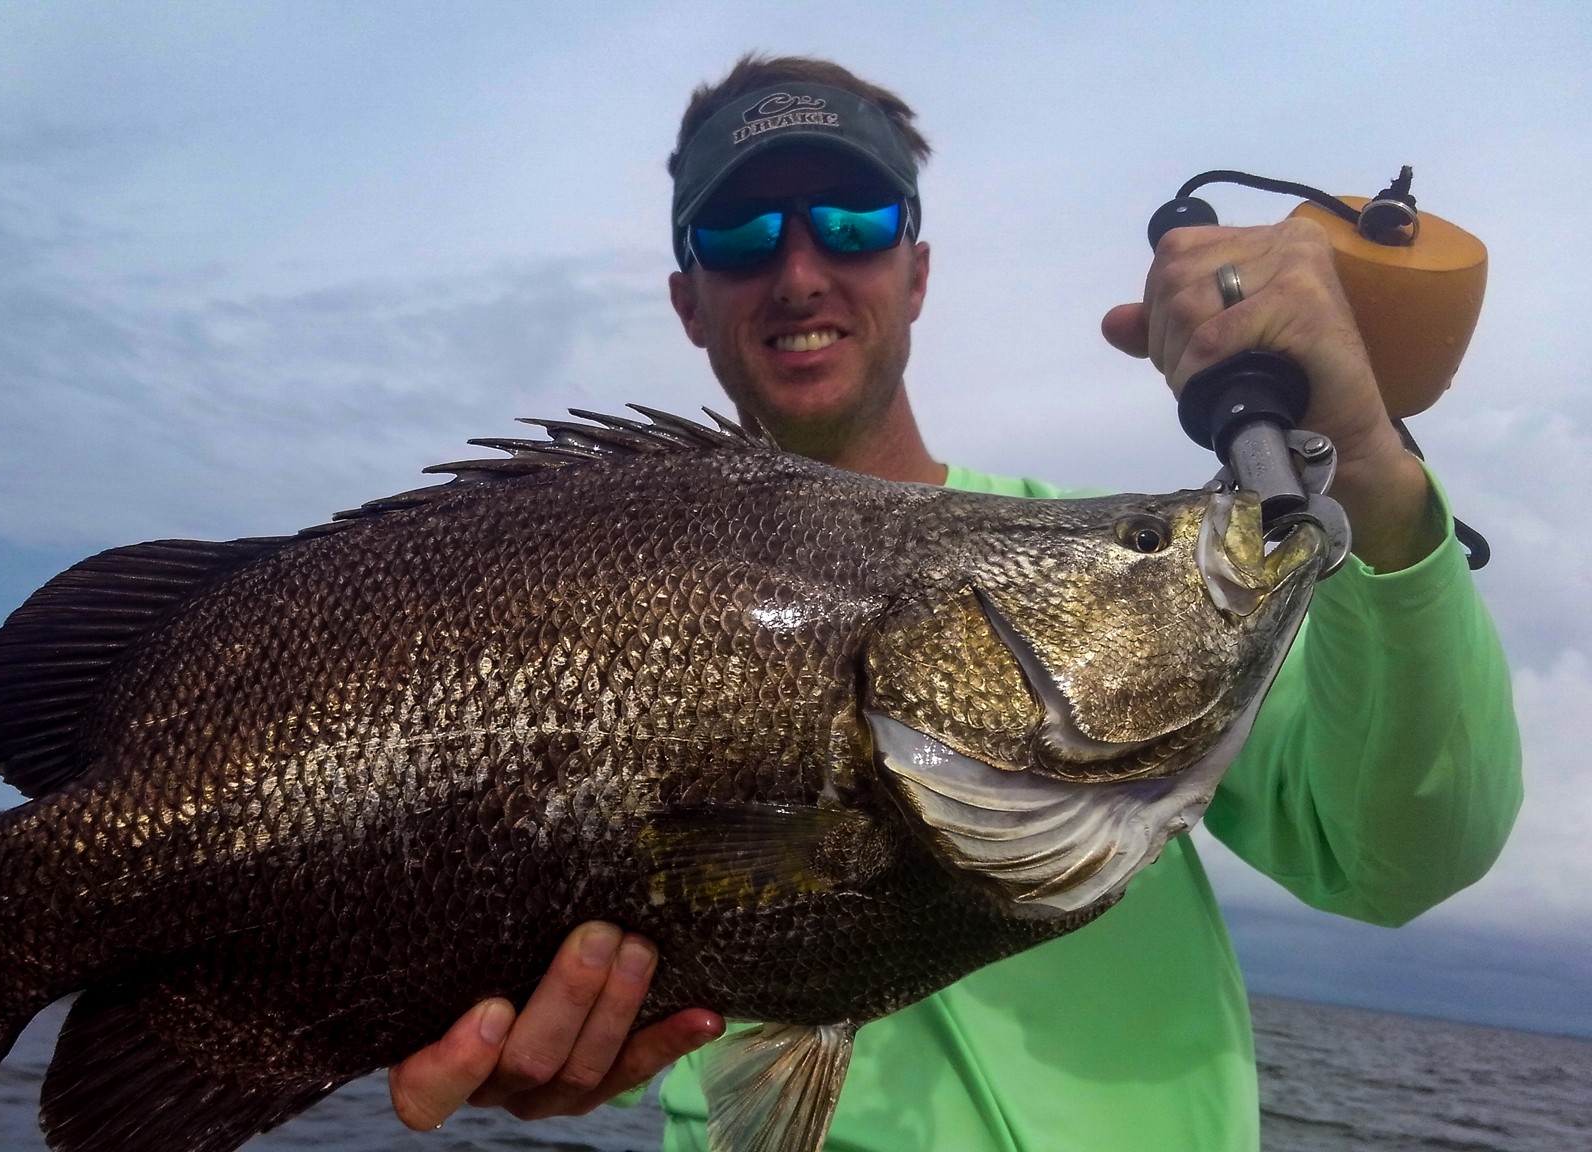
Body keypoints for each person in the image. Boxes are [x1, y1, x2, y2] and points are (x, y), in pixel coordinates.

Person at [386, 54, 1521, 1150]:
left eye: (851, 222)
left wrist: (1365, 460)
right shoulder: (605, 584)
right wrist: (483, 1031)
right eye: (739, 234)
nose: (797, 272)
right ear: (688, 300)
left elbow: (1399, 857)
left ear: (914, 269)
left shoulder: (1095, 581)